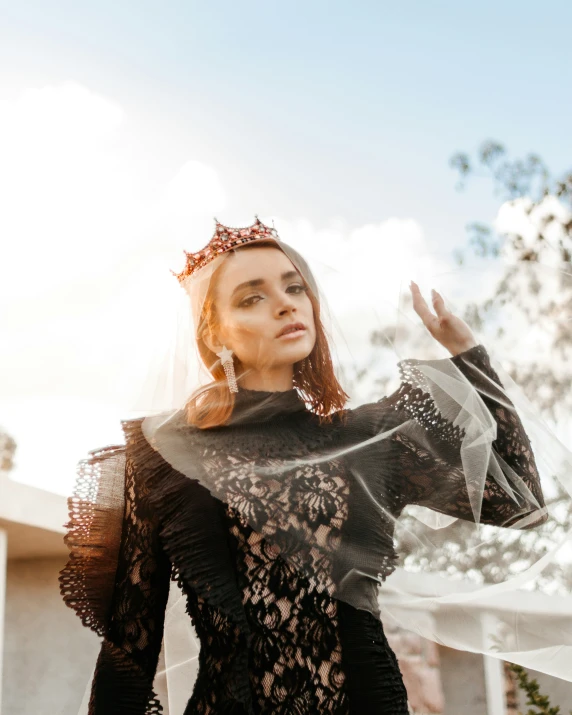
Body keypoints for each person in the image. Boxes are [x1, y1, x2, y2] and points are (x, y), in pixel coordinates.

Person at [59, 217, 549, 714]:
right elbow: (130, 644)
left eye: (295, 287)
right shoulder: (166, 454)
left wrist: (468, 357)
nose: (286, 303)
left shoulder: (367, 438)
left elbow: (518, 503)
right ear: (215, 331)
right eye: (252, 297)